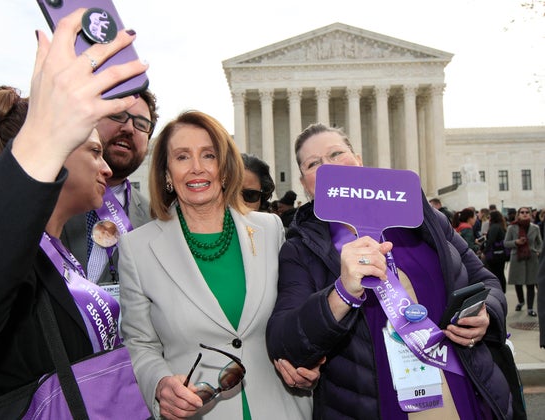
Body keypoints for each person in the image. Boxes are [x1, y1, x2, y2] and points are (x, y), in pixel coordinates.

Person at [0, 11, 148, 417]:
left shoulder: (62, 255)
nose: (106, 168)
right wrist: (43, 137)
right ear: (60, 151)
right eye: (94, 151)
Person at [266, 123, 512, 419]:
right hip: (374, 403)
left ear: (358, 160)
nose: (329, 166)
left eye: (336, 153)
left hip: (458, 387)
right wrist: (341, 294)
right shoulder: (302, 249)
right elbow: (284, 339)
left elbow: (485, 280)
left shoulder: (424, 220)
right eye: (313, 163)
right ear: (305, 183)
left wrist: (485, 313)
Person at [118, 111, 312, 419]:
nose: (197, 167)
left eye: (208, 155)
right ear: (166, 172)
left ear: (224, 168)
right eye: (182, 157)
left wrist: (309, 360)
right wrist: (159, 384)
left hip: (281, 407)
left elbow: (294, 315)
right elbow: (140, 343)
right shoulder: (137, 248)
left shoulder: (270, 229)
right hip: (199, 410)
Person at [61, 89, 158, 286]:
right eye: (118, 115)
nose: (129, 128)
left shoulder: (155, 220)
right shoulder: (47, 195)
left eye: (141, 124)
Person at [504, 206, 542, 317]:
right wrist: (516, 242)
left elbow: (540, 243)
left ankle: (530, 308)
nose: (524, 214)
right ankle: (521, 301)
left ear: (530, 214)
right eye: (522, 212)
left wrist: (538, 251)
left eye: (527, 212)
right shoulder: (512, 228)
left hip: (532, 258)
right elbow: (506, 243)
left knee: (531, 283)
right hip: (517, 258)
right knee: (518, 282)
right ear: (518, 214)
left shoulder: (535, 228)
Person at [484, 210, 508, 293]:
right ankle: (502, 290)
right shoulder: (501, 226)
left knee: (495, 273)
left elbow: (491, 240)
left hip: (495, 255)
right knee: (500, 273)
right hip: (501, 254)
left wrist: (485, 251)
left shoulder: (494, 227)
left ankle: (498, 290)